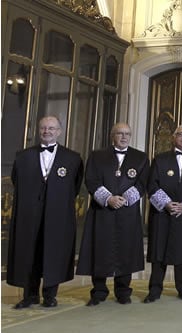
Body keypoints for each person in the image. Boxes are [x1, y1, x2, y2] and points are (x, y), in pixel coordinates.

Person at [7, 116, 83, 309]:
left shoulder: (72, 158)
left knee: (53, 253)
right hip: (29, 215)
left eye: (51, 128)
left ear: (59, 131)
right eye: (43, 128)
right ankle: (29, 296)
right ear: (38, 131)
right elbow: (17, 181)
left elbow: (74, 186)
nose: (47, 131)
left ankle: (50, 296)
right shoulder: (22, 156)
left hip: (57, 215)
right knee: (29, 253)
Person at [77, 123, 149, 306]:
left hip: (128, 212)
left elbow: (143, 183)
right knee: (99, 249)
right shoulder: (97, 156)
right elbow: (91, 180)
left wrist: (125, 198)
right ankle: (98, 292)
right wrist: (108, 198)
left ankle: (123, 292)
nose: (124, 137)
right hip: (102, 211)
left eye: (127, 134)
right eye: (119, 133)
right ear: (112, 136)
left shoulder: (140, 157)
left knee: (126, 250)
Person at [144, 125, 182, 303]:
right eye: (180, 134)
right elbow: (152, 185)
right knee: (159, 253)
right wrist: (167, 203)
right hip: (162, 214)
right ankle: (155, 290)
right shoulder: (160, 159)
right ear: (173, 137)